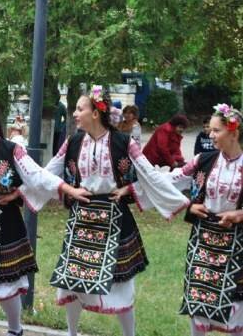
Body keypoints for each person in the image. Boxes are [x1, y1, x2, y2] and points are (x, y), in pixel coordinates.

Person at [44, 85, 190, 336]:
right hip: (82, 219)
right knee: (72, 281)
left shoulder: (124, 142)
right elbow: (49, 172)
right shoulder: (74, 141)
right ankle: (71, 333)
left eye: (80, 109)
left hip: (115, 220)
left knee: (121, 284)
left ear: (95, 113)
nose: (75, 114)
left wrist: (130, 189)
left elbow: (149, 175)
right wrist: (68, 189)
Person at [0, 98, 90, 336]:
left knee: (6, 282)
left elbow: (37, 176)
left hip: (2, 223)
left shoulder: (11, 150)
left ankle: (15, 328)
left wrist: (68, 190)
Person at [166, 104, 243, 336]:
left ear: (234, 132)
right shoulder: (203, 160)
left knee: (237, 304)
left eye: (216, 130)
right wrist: (188, 204)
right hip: (203, 242)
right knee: (198, 298)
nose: (210, 135)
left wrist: (239, 214)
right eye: (210, 130)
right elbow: (170, 181)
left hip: (236, 245)